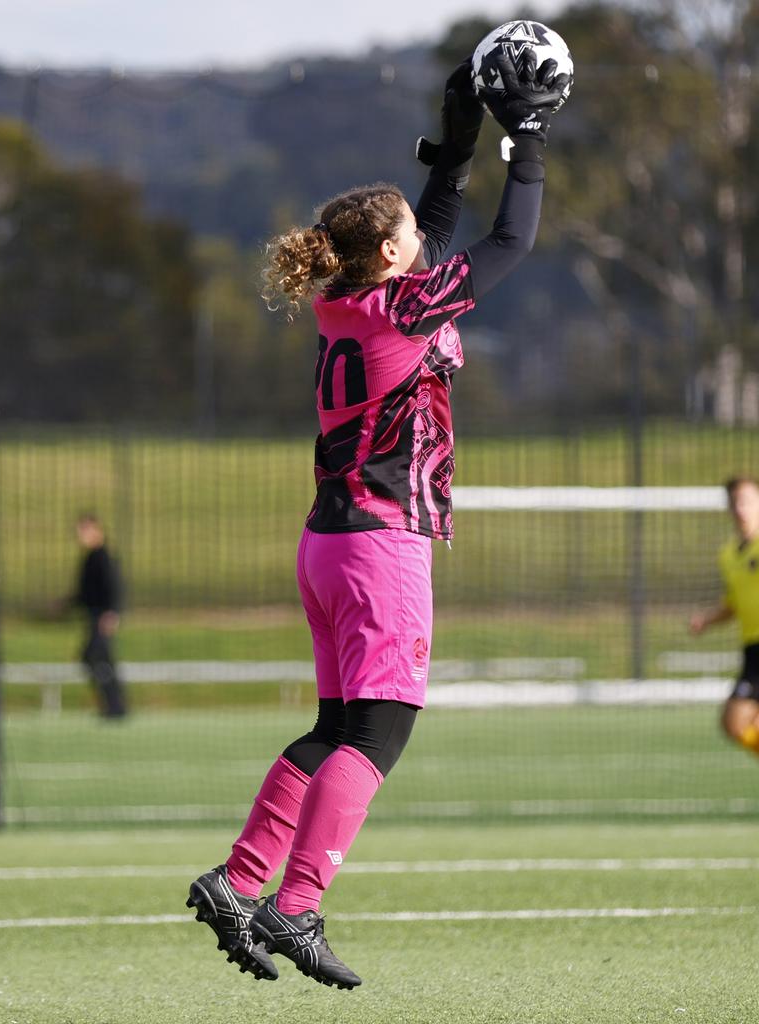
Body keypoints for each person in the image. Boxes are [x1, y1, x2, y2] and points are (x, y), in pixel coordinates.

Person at [186, 52, 568, 989]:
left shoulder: (349, 303)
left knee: (335, 726)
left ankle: (240, 880)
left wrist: (459, 139)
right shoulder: (403, 307)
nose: (421, 239)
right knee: (381, 733)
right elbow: (509, 243)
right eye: (408, 235)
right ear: (393, 258)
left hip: (328, 543)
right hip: (378, 543)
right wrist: (531, 141)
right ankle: (297, 903)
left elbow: (430, 226)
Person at [690, 477, 759, 758]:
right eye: (735, 503)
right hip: (752, 649)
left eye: (747, 501)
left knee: (740, 720)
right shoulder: (728, 555)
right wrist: (707, 620)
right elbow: (733, 603)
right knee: (734, 724)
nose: (741, 508)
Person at [71, 513, 127, 719]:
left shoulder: (103, 557)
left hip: (102, 617)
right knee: (100, 659)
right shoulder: (91, 557)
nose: (80, 535)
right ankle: (115, 705)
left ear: (96, 530)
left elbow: (115, 587)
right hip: (93, 615)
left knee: (95, 657)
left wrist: (112, 613)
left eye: (84, 530)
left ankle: (115, 705)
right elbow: (86, 591)